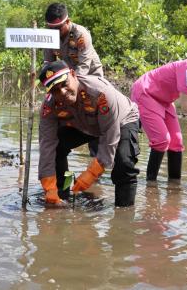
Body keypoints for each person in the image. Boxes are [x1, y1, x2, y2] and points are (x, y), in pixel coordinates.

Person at [38, 60, 140, 208]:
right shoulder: (49, 106)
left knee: (124, 164)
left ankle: (124, 214)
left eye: (64, 84)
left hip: (122, 120)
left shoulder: (100, 92)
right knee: (57, 147)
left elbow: (109, 135)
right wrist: (48, 186)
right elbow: (47, 144)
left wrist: (92, 173)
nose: (63, 93)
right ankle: (61, 195)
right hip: (85, 125)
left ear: (73, 74)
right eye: (55, 90)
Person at [131, 42, 187, 182]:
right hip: (146, 93)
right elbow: (186, 105)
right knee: (161, 140)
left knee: (176, 142)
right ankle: (150, 187)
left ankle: (175, 188)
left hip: (165, 100)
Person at [44, 2, 103, 156]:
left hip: (89, 76)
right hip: (66, 78)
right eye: (51, 28)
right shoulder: (48, 35)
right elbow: (48, 64)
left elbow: (84, 66)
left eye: (58, 28)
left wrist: (72, 87)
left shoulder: (80, 34)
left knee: (93, 113)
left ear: (68, 22)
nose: (54, 32)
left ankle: (96, 154)